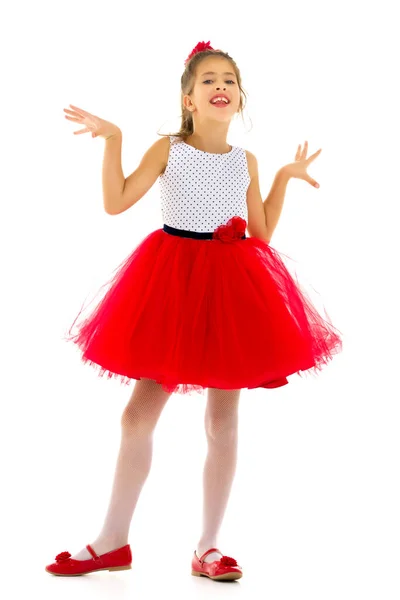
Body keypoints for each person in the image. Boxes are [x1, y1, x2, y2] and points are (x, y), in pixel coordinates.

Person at [45, 40, 342, 580]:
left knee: (222, 421)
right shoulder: (169, 150)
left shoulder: (244, 160)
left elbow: (263, 232)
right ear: (188, 99)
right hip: (171, 285)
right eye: (208, 80)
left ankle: (208, 546)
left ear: (239, 96)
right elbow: (116, 202)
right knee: (137, 415)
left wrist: (281, 179)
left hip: (231, 288)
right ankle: (112, 540)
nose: (220, 86)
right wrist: (113, 140)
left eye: (228, 79)